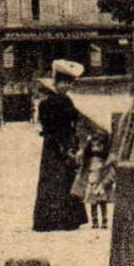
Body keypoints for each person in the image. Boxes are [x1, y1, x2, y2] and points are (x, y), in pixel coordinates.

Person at [32, 61, 90, 231]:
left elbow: (75, 121)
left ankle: (58, 220)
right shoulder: (51, 102)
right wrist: (65, 147)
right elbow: (51, 126)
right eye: (64, 83)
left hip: (60, 142)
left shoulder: (63, 100)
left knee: (61, 180)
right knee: (58, 180)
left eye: (69, 83)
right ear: (56, 83)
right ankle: (60, 220)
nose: (67, 86)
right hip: (57, 143)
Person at [78, 123, 113, 229]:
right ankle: (95, 220)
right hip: (92, 181)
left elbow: (111, 171)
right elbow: (81, 160)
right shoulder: (89, 159)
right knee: (93, 202)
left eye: (99, 145)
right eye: (93, 146)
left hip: (101, 182)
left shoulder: (107, 159)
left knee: (102, 202)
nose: (96, 148)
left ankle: (104, 220)